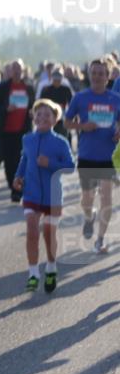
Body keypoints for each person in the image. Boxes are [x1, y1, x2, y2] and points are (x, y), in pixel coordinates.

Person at [12, 100, 75, 293]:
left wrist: (50, 163)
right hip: (31, 193)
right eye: (38, 114)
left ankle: (51, 266)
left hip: (52, 197)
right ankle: (33, 273)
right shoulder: (28, 139)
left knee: (49, 235)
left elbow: (70, 166)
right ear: (33, 117)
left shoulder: (60, 142)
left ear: (55, 119)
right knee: (32, 231)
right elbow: (24, 159)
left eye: (47, 115)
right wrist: (17, 176)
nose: (42, 118)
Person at [64, 57, 120, 253]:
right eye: (94, 73)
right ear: (89, 75)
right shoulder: (80, 98)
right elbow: (66, 122)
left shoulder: (115, 99)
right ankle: (89, 216)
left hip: (108, 156)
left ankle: (101, 239)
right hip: (87, 155)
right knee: (87, 199)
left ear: (107, 77)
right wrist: (82, 126)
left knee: (107, 198)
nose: (97, 76)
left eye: (101, 73)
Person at [0, 59, 36, 201]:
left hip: (23, 130)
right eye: (14, 69)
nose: (16, 71)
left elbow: (34, 105)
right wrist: (5, 109)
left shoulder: (28, 87)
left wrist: (33, 112)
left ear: (23, 70)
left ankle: (19, 188)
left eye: (19, 69)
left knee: (22, 160)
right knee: (9, 161)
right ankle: (13, 187)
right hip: (6, 131)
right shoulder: (4, 87)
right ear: (9, 71)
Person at [39, 69, 74, 139]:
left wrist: (70, 117)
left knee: (62, 137)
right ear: (52, 79)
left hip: (61, 118)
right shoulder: (46, 90)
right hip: (48, 118)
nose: (57, 82)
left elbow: (71, 104)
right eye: (55, 80)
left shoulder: (66, 90)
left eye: (59, 80)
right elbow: (41, 104)